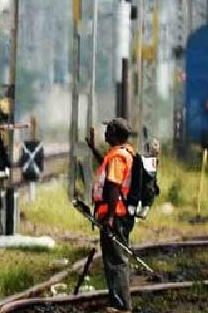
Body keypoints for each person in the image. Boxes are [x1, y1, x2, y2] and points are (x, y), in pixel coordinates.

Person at [87, 117, 137, 313]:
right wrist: (93, 148)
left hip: (115, 216)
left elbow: (114, 187)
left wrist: (109, 217)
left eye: (108, 130)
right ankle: (117, 302)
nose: (105, 133)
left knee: (116, 260)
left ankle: (122, 305)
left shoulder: (117, 157)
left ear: (115, 134)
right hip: (119, 214)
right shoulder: (122, 153)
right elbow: (108, 170)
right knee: (114, 258)